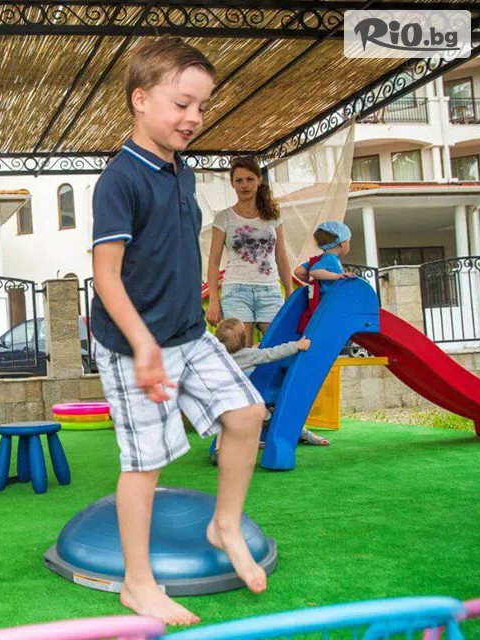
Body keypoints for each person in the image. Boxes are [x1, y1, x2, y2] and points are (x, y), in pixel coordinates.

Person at [89, 37, 267, 627]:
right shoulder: (120, 179)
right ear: (140, 99)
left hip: (189, 333)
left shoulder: (181, 173)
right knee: (146, 462)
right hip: (134, 344)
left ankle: (224, 526)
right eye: (182, 104)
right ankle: (138, 584)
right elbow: (106, 275)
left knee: (247, 414)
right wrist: (143, 345)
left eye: (201, 106)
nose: (194, 117)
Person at [212, 318, 328, 466]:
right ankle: (281, 427)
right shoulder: (248, 356)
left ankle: (218, 450)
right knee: (268, 416)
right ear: (244, 340)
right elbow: (273, 353)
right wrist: (296, 345)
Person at [206, 156, 292, 347]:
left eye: (249, 179)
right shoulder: (224, 218)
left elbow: (281, 257)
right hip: (236, 291)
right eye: (239, 180)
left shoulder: (273, 217)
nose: (244, 185)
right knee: (242, 349)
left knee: (278, 344)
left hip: (270, 290)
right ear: (232, 184)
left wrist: (289, 291)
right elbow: (213, 261)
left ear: (259, 180)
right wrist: (213, 299)